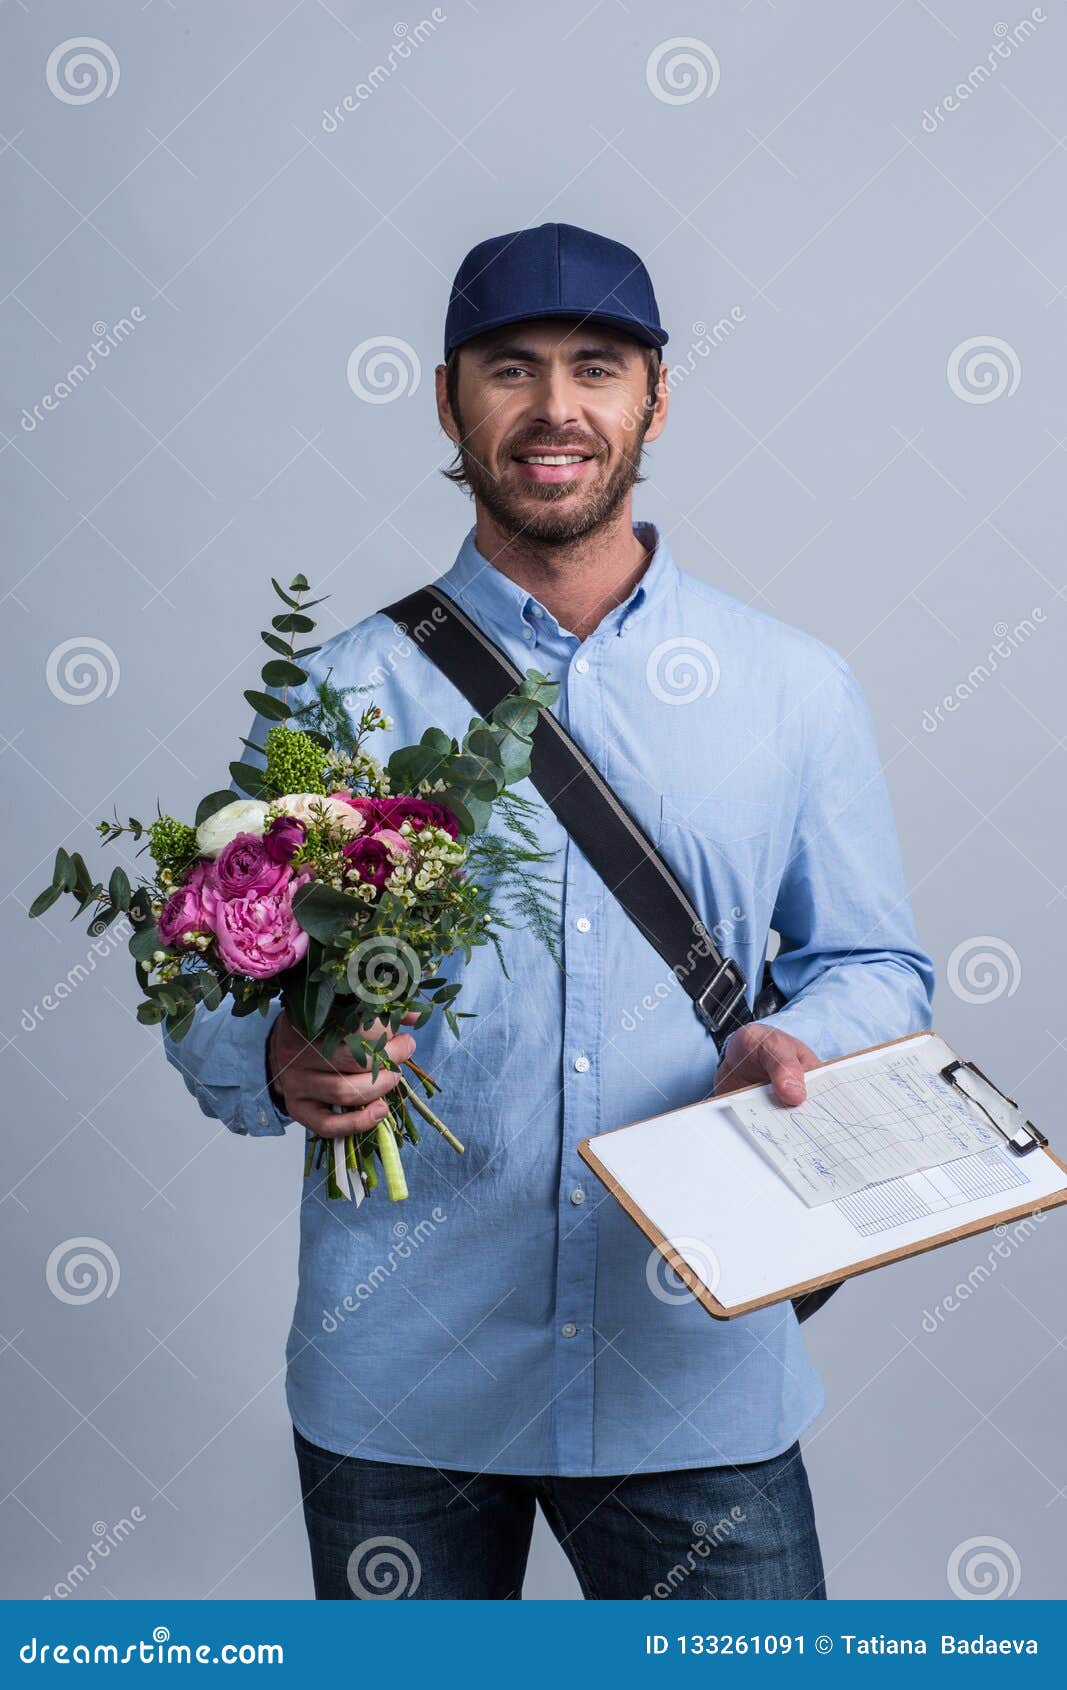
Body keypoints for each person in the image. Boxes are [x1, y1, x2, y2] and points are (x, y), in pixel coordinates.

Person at [164, 222, 934, 1601]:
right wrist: (273, 1058)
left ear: (656, 398)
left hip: (693, 1371)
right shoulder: (338, 694)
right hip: (402, 1385)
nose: (556, 407)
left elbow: (872, 961)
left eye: (598, 367)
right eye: (511, 368)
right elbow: (214, 976)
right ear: (448, 400)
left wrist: (800, 1045)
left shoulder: (793, 688)